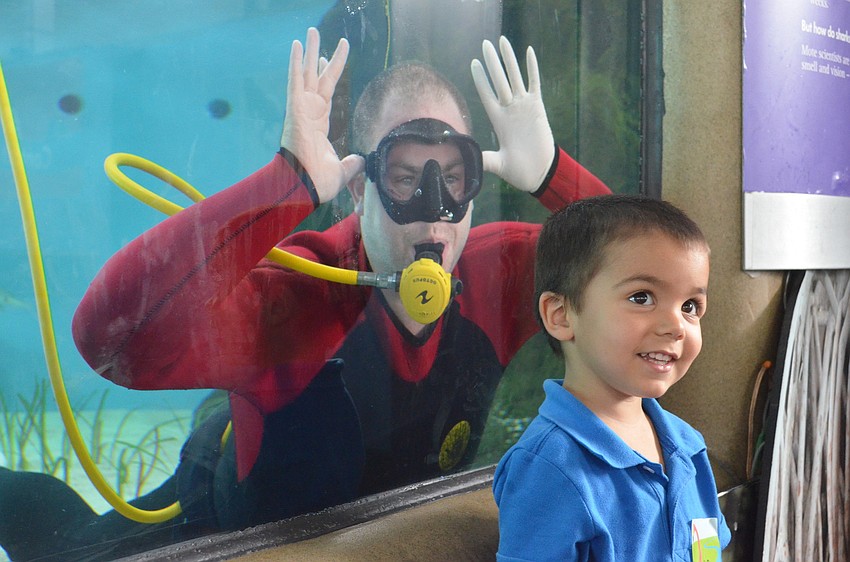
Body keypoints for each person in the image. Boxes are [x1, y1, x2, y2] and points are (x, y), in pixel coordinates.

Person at [0, 28, 609, 561]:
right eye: (404, 176)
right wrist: (286, 183)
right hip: (226, 507)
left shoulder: (496, 274)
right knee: (64, 544)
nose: (434, 214)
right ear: (359, 187)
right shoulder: (298, 294)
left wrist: (552, 172)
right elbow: (109, 338)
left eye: (452, 177)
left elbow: (645, 268)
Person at [493, 194, 731, 561]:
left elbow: (706, 552)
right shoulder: (548, 467)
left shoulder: (688, 447)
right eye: (642, 297)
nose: (676, 326)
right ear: (561, 315)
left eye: (690, 307)